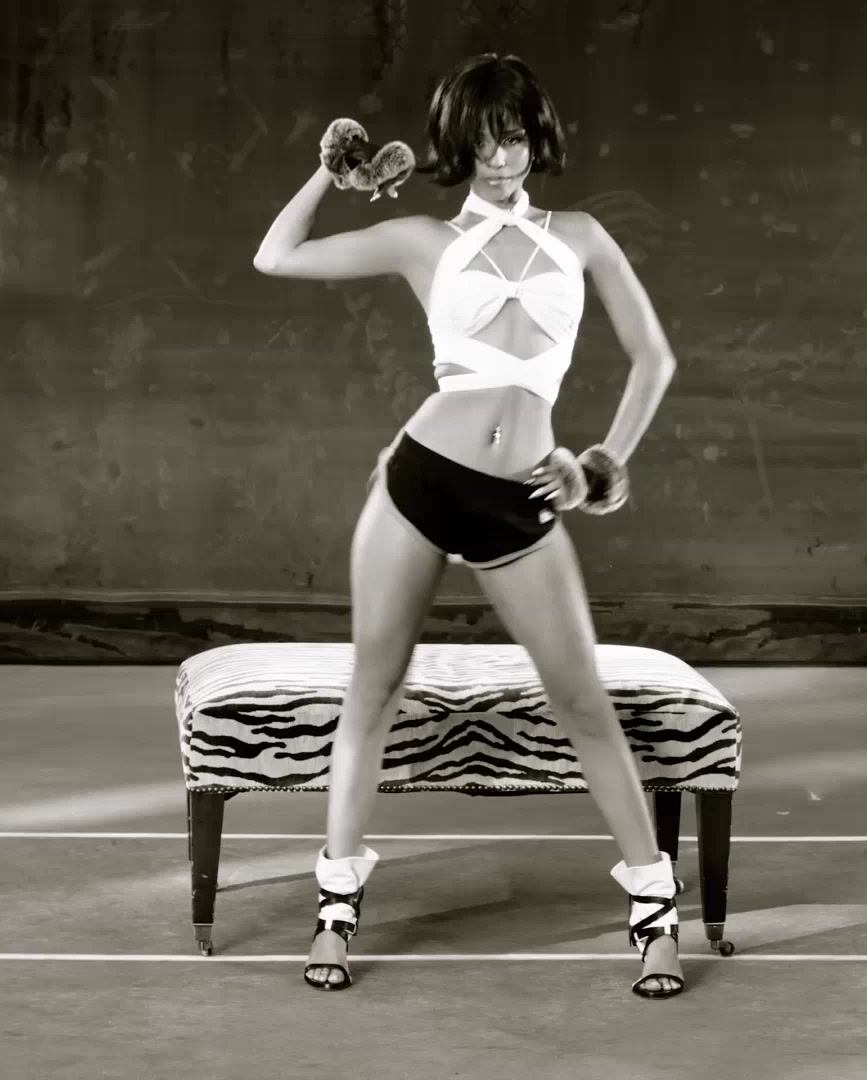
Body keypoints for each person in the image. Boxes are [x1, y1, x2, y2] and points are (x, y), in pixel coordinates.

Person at [252, 53, 683, 998]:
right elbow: (274, 256)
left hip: (520, 496)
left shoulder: (582, 237)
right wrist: (332, 175)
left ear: (537, 139)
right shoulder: (421, 240)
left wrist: (600, 462)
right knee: (374, 689)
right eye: (482, 141)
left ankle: (655, 911)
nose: (498, 158)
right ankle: (335, 913)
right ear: (456, 146)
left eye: (513, 137)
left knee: (583, 704)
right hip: (419, 480)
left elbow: (654, 360)